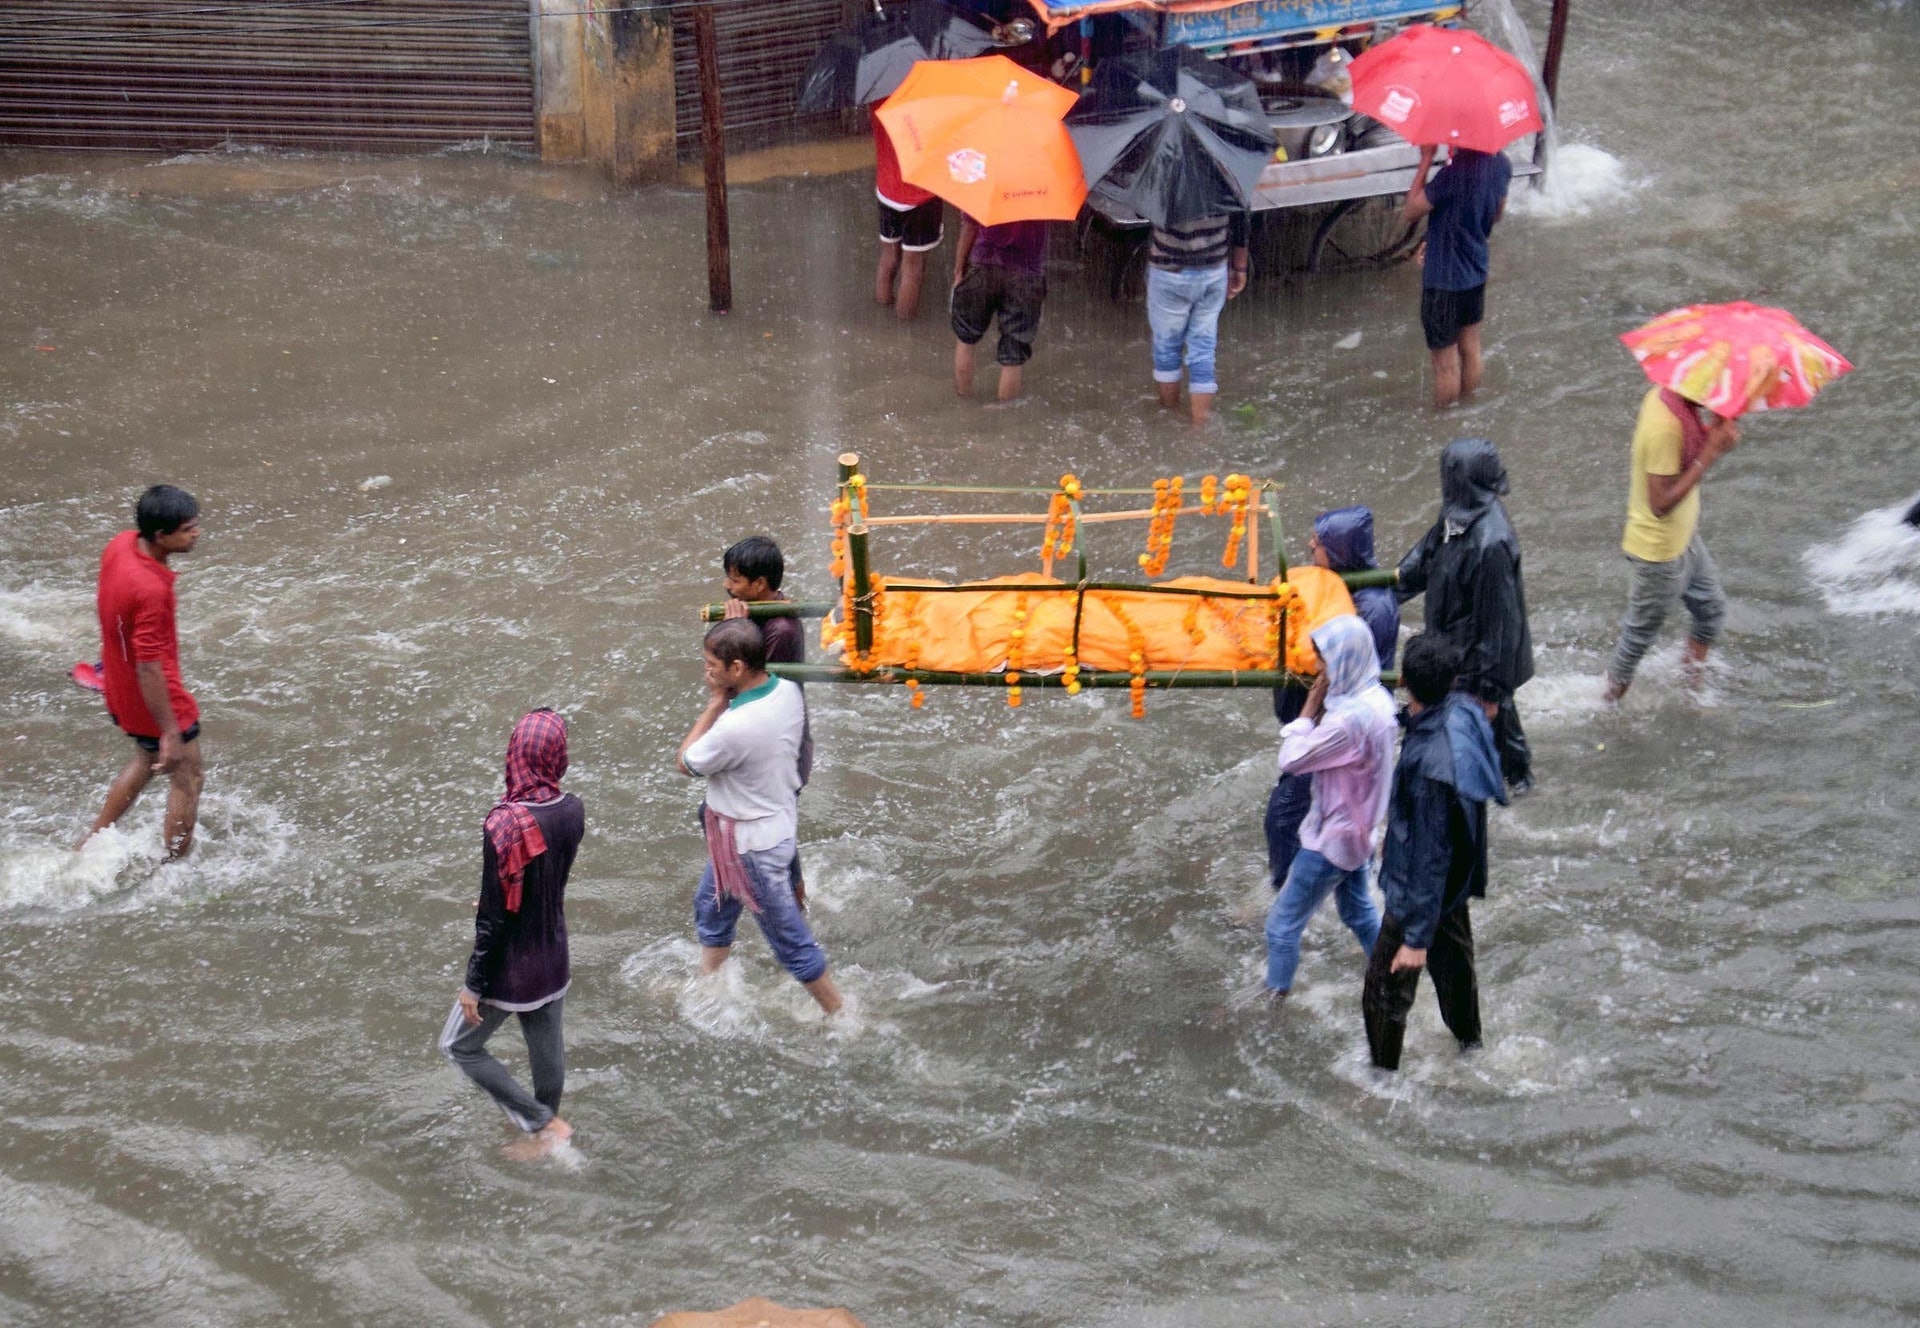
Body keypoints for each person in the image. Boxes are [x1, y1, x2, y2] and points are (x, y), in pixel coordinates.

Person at [679, 619, 844, 1015]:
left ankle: (841, 1013)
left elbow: (686, 761)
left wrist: (716, 703)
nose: (706, 672)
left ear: (736, 669)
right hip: (769, 827)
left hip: (750, 847)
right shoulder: (787, 691)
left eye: (710, 664)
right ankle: (710, 984)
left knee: (789, 940)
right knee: (711, 905)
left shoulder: (733, 726)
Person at [440, 709, 583, 1158]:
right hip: (553, 955)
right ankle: (542, 1137)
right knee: (547, 1054)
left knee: (459, 1047)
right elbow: (543, 879)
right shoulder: (572, 809)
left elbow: (493, 920)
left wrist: (473, 984)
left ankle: (543, 1123)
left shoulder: (503, 824)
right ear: (557, 755)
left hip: (510, 968)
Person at [1363, 633, 1507, 1071]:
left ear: (1404, 679)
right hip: (1456, 880)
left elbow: (1430, 856)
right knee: (1457, 973)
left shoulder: (1430, 767)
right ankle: (1471, 1048)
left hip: (1419, 891)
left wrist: (1416, 940)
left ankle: (1381, 1079)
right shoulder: (1464, 709)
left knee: (1383, 992)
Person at [1264, 507, 1400, 889]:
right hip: (1332, 725)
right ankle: (1341, 888)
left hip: (1341, 730)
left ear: (1340, 551)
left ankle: (1286, 896)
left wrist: (1312, 724)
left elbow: (1341, 672)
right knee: (1333, 818)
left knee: (1285, 814)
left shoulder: (1371, 606)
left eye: (1319, 542)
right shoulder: (1335, 590)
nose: (1310, 546)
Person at [1263, 615, 1396, 998]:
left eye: (1325, 661)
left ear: (1344, 662)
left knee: (1281, 926)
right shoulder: (1377, 700)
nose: (1319, 669)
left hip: (1331, 840)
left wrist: (1309, 707)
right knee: (1358, 912)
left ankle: (1275, 1005)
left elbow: (1291, 759)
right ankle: (1388, 980)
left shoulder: (1349, 722)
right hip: (1361, 833)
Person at [1396, 438, 1535, 795]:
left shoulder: (1492, 544)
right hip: (1455, 646)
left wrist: (1489, 688)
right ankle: (1513, 782)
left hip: (1480, 660)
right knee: (1496, 729)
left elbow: (1501, 623)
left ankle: (1514, 785)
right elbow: (1421, 561)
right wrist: (1383, 592)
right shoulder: (1455, 518)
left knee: (1495, 721)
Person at [80, 484, 205, 858]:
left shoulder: (121, 544)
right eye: (187, 529)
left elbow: (110, 609)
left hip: (119, 681)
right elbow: (150, 667)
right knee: (188, 773)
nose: (196, 533)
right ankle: (175, 865)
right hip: (153, 695)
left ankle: (91, 843)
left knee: (146, 758)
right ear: (161, 535)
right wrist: (169, 730)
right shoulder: (152, 590)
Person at [1602, 387, 1738, 702]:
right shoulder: (1666, 427)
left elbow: (1681, 458)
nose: (1722, 392)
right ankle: (1607, 704)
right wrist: (1711, 453)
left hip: (1685, 537)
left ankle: (1692, 691)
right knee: (1637, 639)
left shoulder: (1670, 398)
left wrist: (1714, 434)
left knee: (1711, 612)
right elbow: (1659, 503)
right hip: (1659, 554)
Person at [720, 535, 813, 906]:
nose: (728, 587)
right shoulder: (766, 614)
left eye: (736, 580)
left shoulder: (779, 630)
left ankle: (790, 905)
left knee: (772, 827)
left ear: (760, 585)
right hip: (768, 741)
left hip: (778, 748)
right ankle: (792, 900)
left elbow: (757, 691)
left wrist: (735, 635)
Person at [1402, 144, 1511, 408]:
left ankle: (1444, 424)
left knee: (1445, 366)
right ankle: (1467, 411)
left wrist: (1426, 159)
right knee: (1471, 349)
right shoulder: (1502, 165)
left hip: (1443, 281)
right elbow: (1496, 215)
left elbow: (1410, 211)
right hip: (1475, 270)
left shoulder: (1452, 175)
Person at [1145, 210, 1250, 424]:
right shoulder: (1229, 176)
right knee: (1203, 350)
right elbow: (1242, 219)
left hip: (1168, 270)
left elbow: (1143, 209)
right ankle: (1200, 428)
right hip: (1213, 272)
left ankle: (1169, 417)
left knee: (1167, 348)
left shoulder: (1162, 178)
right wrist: (1240, 267)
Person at [951, 214, 1048, 401]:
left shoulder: (984, 185)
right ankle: (1003, 414)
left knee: (966, 338)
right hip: (1027, 274)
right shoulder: (1044, 190)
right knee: (1013, 355)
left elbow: (969, 228)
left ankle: (963, 400)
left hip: (983, 266)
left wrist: (959, 272)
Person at [872, 116, 942, 321]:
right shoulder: (927, 99)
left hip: (887, 189)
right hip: (920, 195)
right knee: (913, 265)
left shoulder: (876, 93)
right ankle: (904, 327)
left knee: (888, 255)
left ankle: (882, 313)